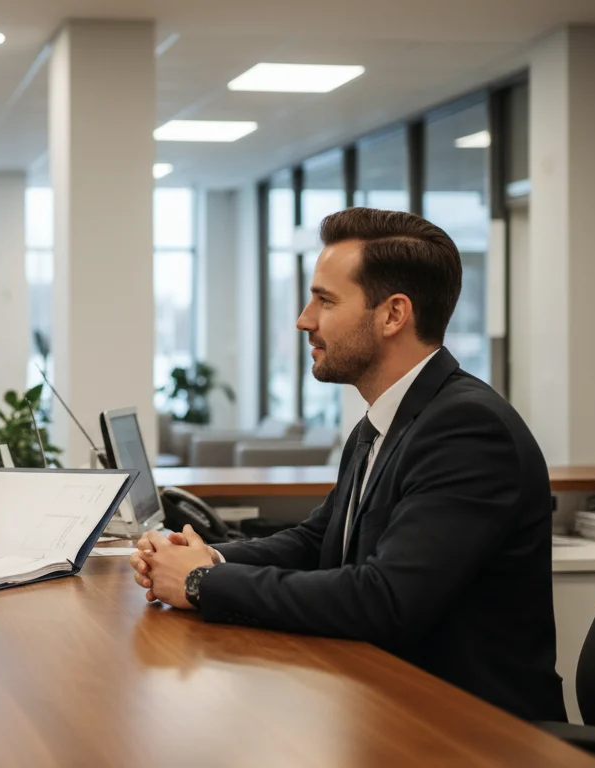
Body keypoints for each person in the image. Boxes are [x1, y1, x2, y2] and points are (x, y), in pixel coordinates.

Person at [130, 207, 567, 722]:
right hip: (387, 702)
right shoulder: (385, 419)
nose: (303, 319)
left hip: (471, 728)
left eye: (325, 300)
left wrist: (202, 582)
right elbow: (320, 541)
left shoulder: (467, 429)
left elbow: (385, 600)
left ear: (393, 314)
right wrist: (205, 557)